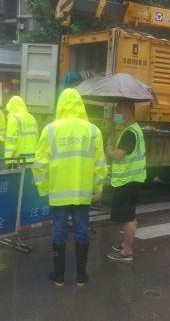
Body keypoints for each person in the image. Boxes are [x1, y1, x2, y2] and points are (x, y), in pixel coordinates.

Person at [33, 88, 107, 287]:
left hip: (58, 193)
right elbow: (100, 164)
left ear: (61, 104)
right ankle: (81, 277)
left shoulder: (50, 129)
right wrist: (97, 188)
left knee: (59, 231)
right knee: (82, 231)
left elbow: (39, 164)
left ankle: (58, 277)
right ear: (80, 104)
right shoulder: (93, 130)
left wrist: (44, 188)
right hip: (83, 193)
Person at [106, 102, 146, 262]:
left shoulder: (130, 132)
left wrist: (109, 147)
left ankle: (126, 252)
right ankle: (125, 244)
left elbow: (118, 155)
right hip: (132, 180)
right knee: (129, 214)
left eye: (118, 111)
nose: (116, 114)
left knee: (128, 217)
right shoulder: (133, 129)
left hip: (128, 181)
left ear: (127, 113)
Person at [4, 95, 38, 166]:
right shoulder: (32, 118)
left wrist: (8, 160)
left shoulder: (13, 119)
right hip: (32, 158)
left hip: (18, 160)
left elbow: (10, 142)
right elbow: (36, 137)